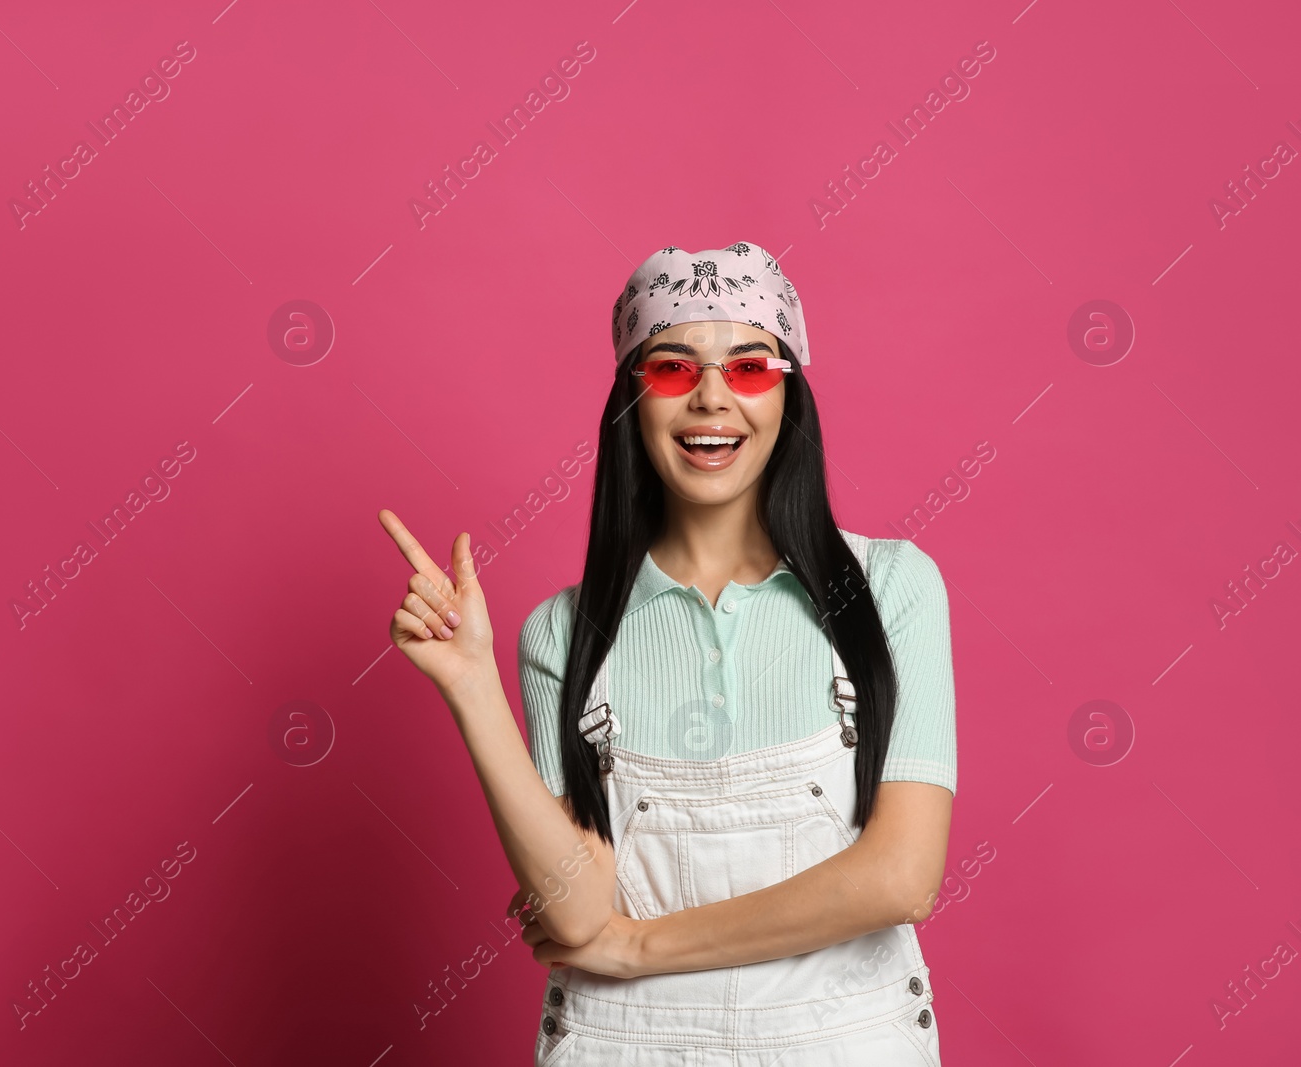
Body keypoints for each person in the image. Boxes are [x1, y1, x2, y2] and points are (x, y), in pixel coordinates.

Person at [379, 240, 956, 1065]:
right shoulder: (564, 634)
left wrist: (638, 949)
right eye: (674, 369)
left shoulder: (891, 588)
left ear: (789, 396)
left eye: (751, 366)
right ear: (632, 400)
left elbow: (901, 877)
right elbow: (577, 915)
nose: (713, 399)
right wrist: (472, 687)